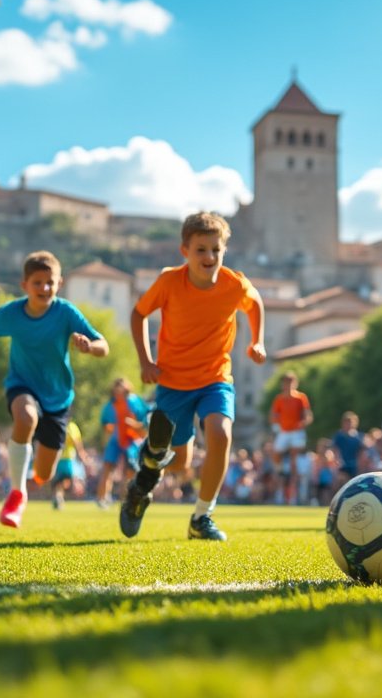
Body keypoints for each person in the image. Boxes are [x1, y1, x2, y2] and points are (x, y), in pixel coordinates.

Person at [120, 211, 266, 542]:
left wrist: (257, 340)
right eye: (201, 249)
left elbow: (254, 302)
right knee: (180, 463)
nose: (209, 257)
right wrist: (146, 360)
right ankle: (147, 469)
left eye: (216, 249)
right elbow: (138, 313)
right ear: (185, 250)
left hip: (216, 378)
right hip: (173, 382)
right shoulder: (170, 282)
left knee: (220, 432)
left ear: (224, 250)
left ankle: (202, 517)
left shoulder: (234, 284)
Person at [0, 250, 109, 528]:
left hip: (58, 397)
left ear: (59, 284)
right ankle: (16, 494)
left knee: (45, 474)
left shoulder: (66, 312)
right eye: (37, 282)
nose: (44, 288)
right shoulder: (13, 312)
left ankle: (31, 476)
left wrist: (89, 346)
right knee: (25, 417)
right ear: (25, 286)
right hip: (21, 384)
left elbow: (103, 346)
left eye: (50, 282)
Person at [96, 378, 149, 508]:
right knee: (107, 468)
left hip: (132, 440)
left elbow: (145, 422)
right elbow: (105, 424)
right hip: (116, 439)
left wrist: (134, 424)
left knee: (131, 470)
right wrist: (109, 431)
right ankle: (102, 498)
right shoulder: (111, 405)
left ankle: (126, 499)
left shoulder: (136, 401)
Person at [270, 372, 313, 505]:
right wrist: (277, 422)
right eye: (285, 383)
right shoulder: (279, 399)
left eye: (290, 382)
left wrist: (302, 423)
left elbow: (307, 415)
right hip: (284, 431)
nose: (287, 385)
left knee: (294, 459)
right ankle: (281, 470)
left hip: (296, 432)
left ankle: (293, 493)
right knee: (275, 453)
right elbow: (273, 415)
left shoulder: (301, 398)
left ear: (295, 383)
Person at [51, 421, 86, 509]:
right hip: (63, 459)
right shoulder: (69, 426)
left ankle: (59, 497)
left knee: (62, 480)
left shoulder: (71, 426)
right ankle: (59, 497)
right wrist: (81, 452)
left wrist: (81, 452)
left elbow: (76, 441)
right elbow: (76, 441)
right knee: (63, 480)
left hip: (65, 458)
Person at [331, 413, 364, 486]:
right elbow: (335, 449)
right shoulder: (339, 436)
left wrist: (360, 463)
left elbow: (360, 452)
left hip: (354, 464)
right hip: (342, 464)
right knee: (341, 481)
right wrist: (337, 460)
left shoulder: (358, 437)